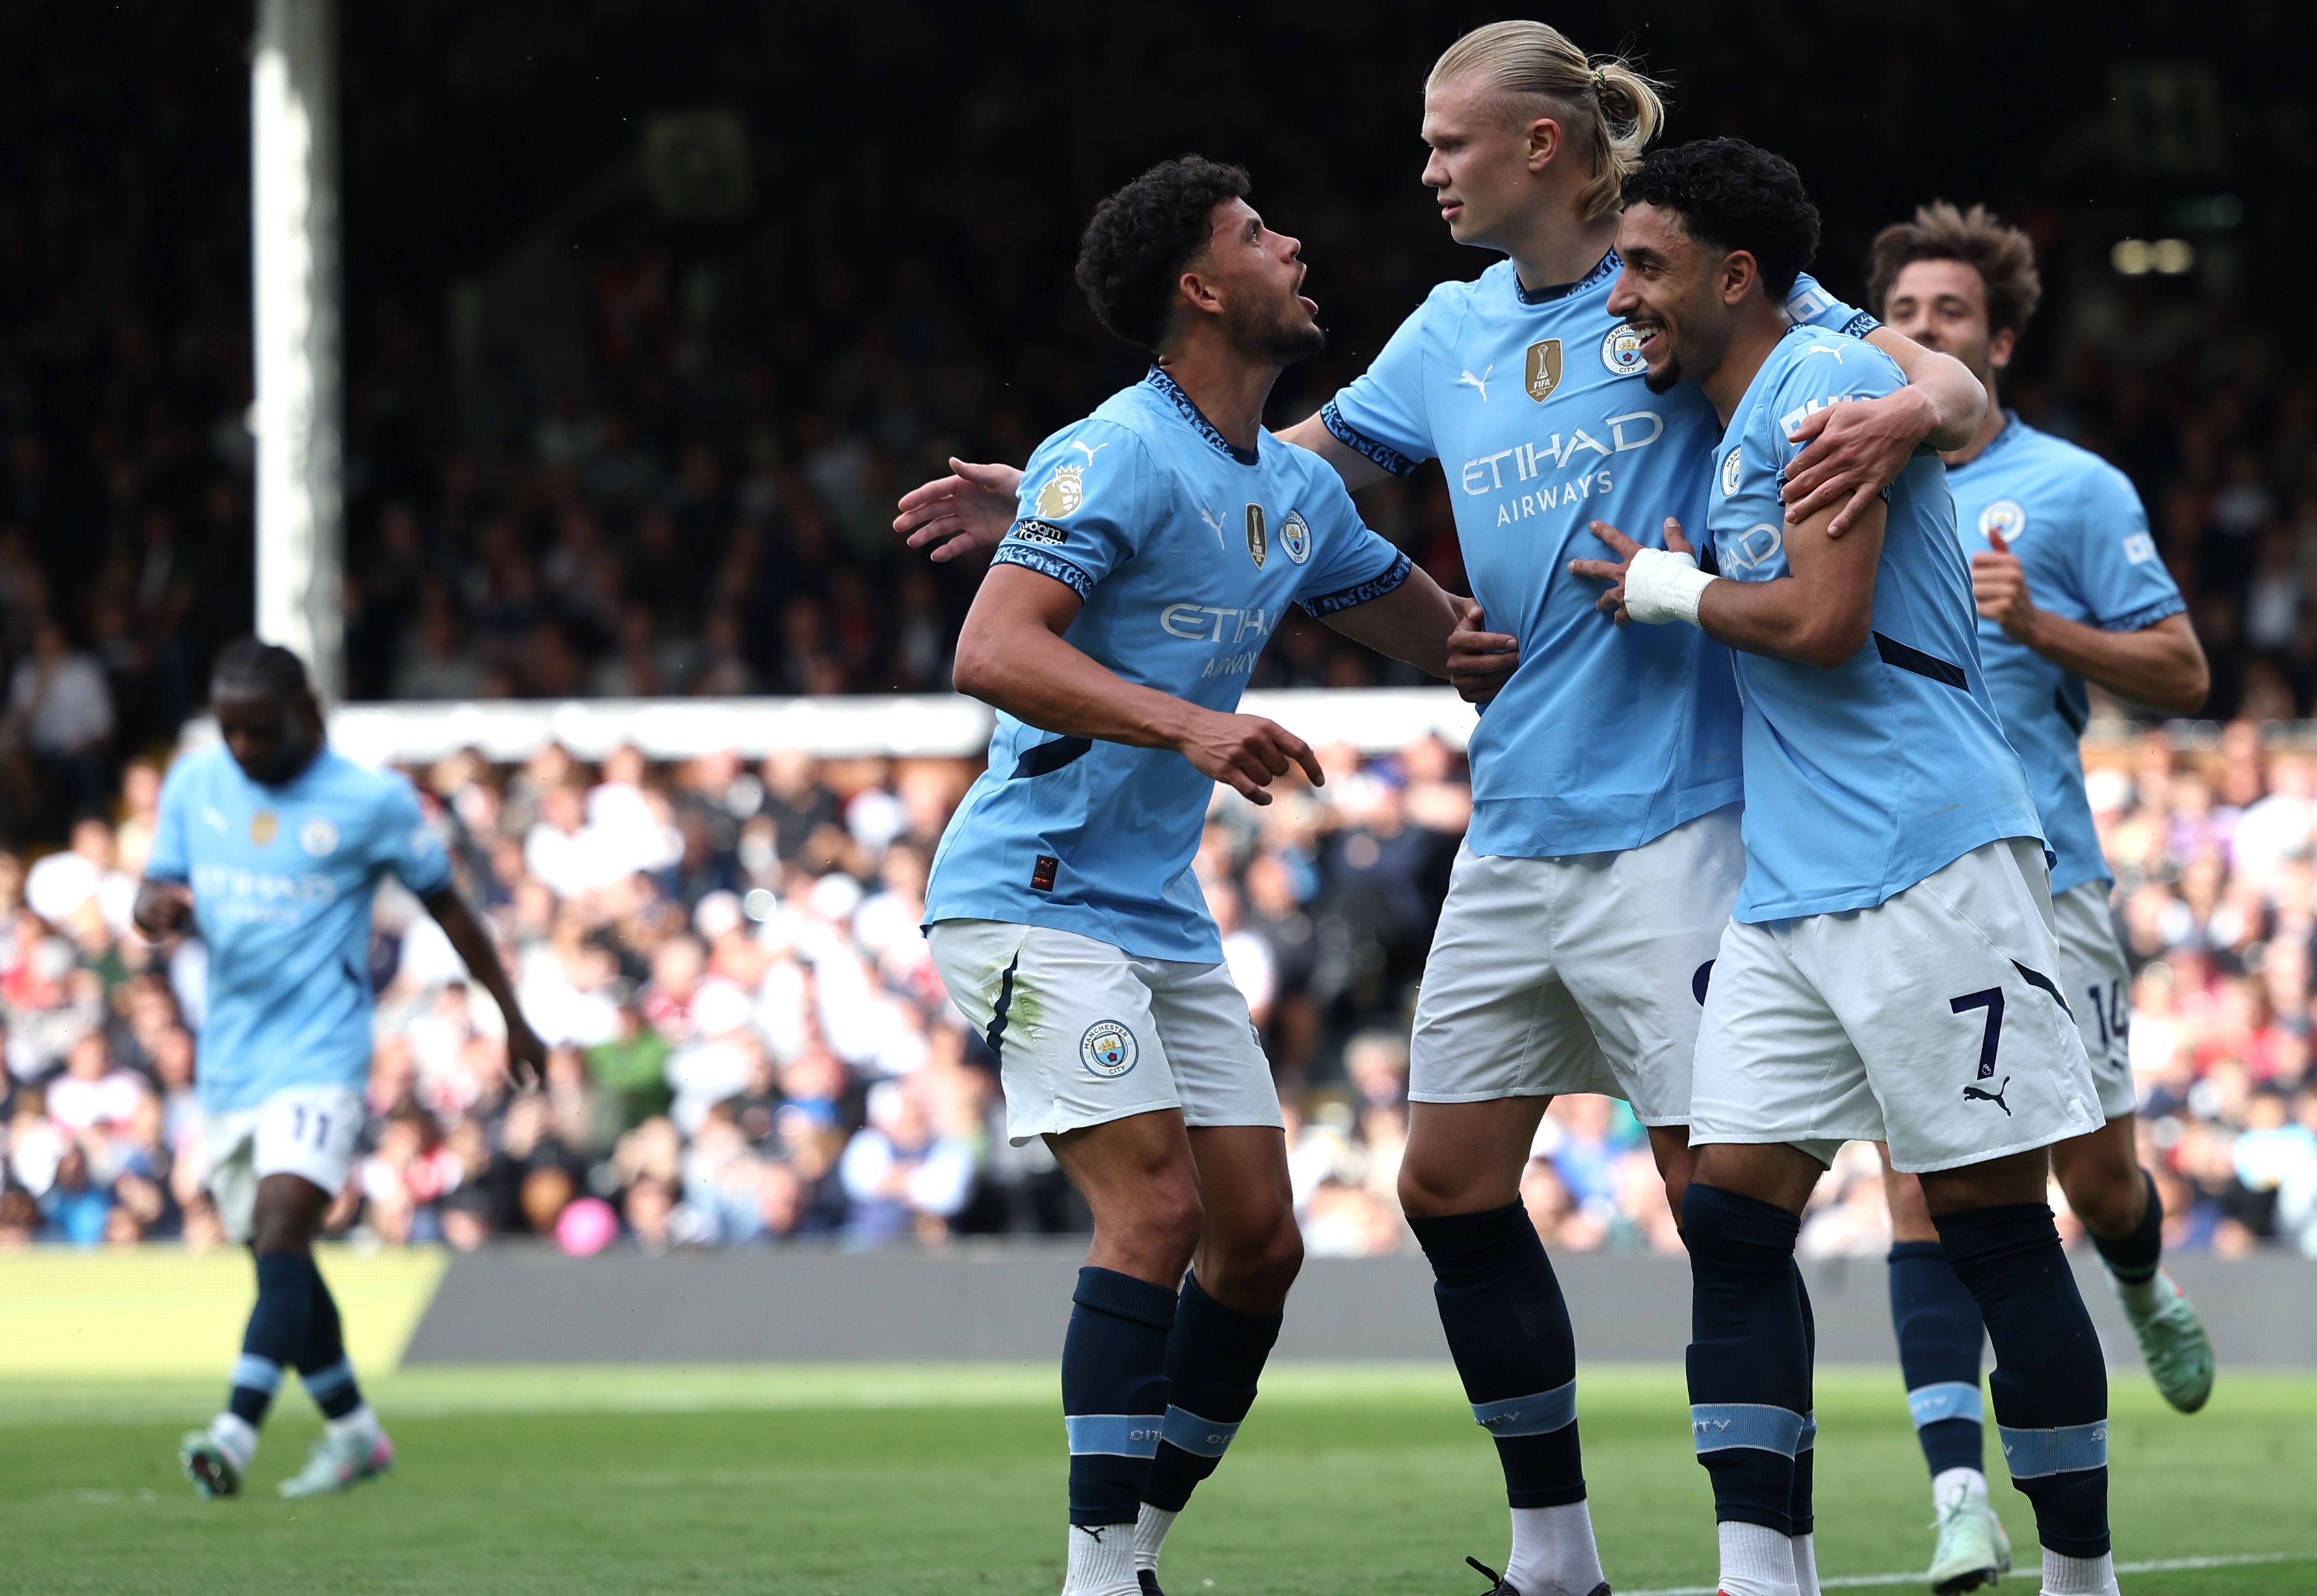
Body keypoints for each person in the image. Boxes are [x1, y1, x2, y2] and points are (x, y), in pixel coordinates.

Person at [892, 27, 1983, 1595]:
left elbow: (1929, 376)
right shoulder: (1448, 329)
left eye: (1447, 142)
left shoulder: (1672, 281)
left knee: (1718, 1201)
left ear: (1541, 145)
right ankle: (1552, 1556)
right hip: (1513, 822)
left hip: (1683, 813)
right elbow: (1266, 468)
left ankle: (1766, 1566)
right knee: (1446, 1187)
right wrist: (1065, 499)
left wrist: (1911, 411)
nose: (1423, 173)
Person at [1572, 138, 2122, 1596]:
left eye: (1644, 266)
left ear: (1733, 277)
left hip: (1927, 866)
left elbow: (1823, 627)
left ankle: (2081, 1580)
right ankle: (1762, 1575)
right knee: (1732, 1218)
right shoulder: (1763, 400)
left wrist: (1672, 587)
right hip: (1795, 889)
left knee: (1995, 1231)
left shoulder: (1818, 385)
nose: (1619, 295)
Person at [917, 157, 1469, 1596]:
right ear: (1200, 288)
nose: (1294, 245)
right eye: (1257, 233)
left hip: (1154, 911)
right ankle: (1095, 1577)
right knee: (1156, 1213)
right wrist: (1192, 724)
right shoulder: (1113, 449)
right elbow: (992, 650)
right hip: (1028, 893)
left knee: (1260, 1246)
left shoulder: (1293, 489)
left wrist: (1659, 597)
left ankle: (1138, 1551)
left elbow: (1455, 642)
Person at [1855, 201, 2218, 1589]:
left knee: (2097, 1181)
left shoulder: (2072, 490)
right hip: (1896, 887)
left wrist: (2037, 623)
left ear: (1998, 341)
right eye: (1903, 313)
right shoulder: (1832, 471)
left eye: (1950, 314)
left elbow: (2183, 673)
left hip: (2050, 879)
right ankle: (1959, 1495)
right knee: (1918, 1192)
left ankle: (2139, 1276)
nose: (1924, 331)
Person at [141, 640, 546, 1500]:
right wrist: (159, 910)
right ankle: (356, 1433)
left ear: (305, 715)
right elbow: (153, 888)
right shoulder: (195, 784)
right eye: (230, 730)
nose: (242, 748)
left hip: (322, 1051)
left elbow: (450, 910)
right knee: (278, 1260)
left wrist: (512, 1016)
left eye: (259, 730)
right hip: (230, 1063)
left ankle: (234, 1433)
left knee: (285, 1227)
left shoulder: (370, 801)